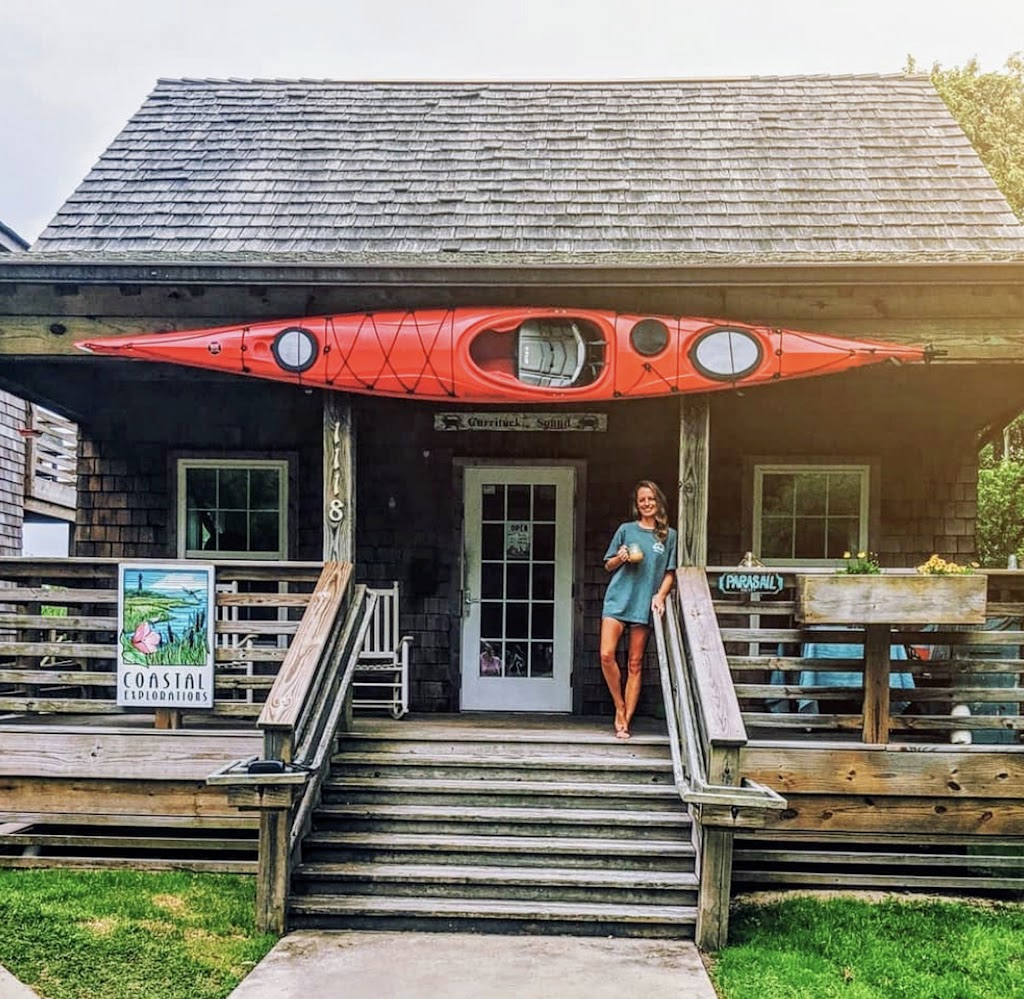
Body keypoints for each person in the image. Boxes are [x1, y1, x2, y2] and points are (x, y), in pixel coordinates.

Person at [600, 480, 678, 740]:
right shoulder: (626, 530)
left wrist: (661, 595)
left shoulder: (669, 535)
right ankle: (619, 705)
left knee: (635, 663)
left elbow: (670, 572)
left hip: (644, 602)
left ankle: (625, 721)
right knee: (606, 655)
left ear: (659, 503)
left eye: (651, 499)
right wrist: (620, 557)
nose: (647, 503)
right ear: (637, 504)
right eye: (642, 500)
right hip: (617, 599)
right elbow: (608, 566)